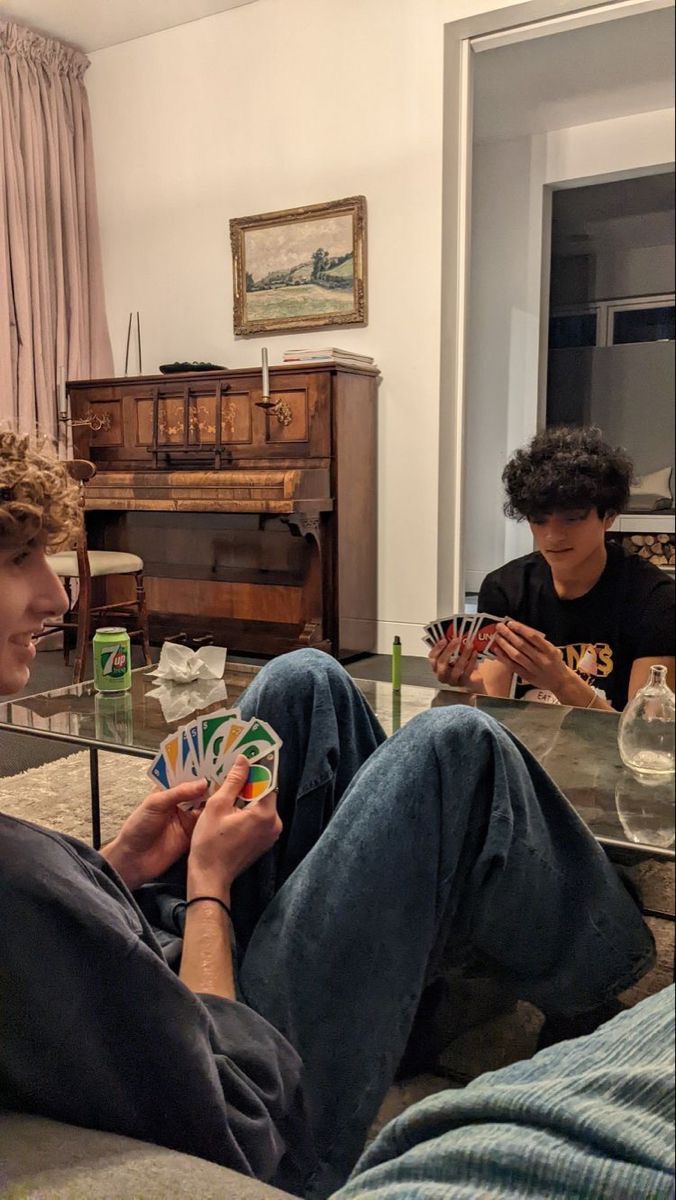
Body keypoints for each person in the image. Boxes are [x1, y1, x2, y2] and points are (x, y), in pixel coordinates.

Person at [0, 432, 659, 1198]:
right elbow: (237, 1106)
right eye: (19, 561)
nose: (58, 596)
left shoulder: (649, 599)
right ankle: (599, 972)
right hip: (267, 1093)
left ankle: (435, 950)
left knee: (303, 676)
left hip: (168, 947)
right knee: (453, 747)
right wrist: (210, 882)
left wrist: (116, 863)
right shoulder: (13, 883)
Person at [430, 426, 675, 711]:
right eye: (539, 520)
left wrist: (560, 682)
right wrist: (467, 681)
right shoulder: (505, 588)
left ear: (609, 517)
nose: (552, 536)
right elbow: (494, 708)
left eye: (572, 519)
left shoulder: (656, 601)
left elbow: (644, 736)